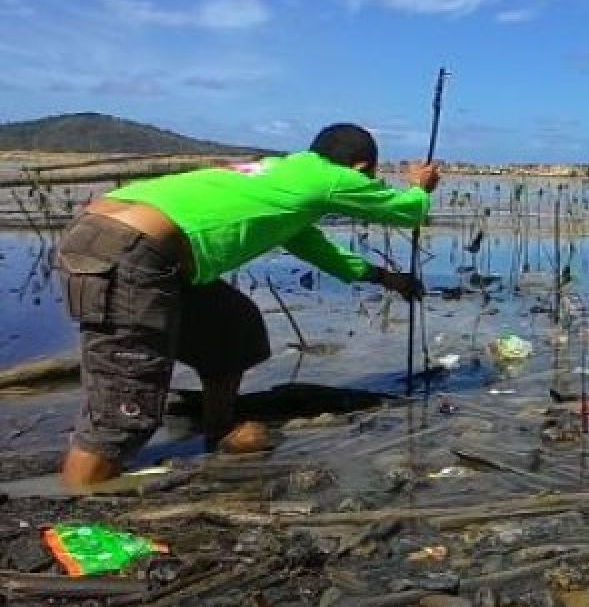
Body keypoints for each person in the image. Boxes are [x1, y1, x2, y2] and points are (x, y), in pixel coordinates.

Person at [53, 123, 438, 488]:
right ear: (360, 168)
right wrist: (420, 188)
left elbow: (318, 250)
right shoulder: (331, 178)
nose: (363, 185)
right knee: (124, 406)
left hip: (119, 235)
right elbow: (408, 210)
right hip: (134, 250)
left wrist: (386, 279)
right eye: (365, 177)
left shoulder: (284, 175)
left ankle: (219, 430)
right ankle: (78, 499)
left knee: (232, 327)